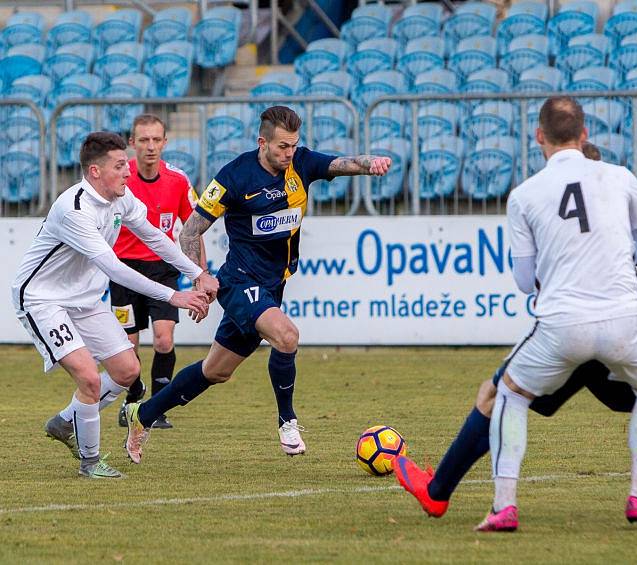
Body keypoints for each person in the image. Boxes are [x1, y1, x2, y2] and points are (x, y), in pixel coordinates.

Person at [395, 141, 637, 528]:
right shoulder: (616, 224)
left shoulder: (554, 218)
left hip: (566, 344)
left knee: (495, 393)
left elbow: (528, 279)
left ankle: (437, 493)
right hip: (616, 347)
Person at [123, 105, 392, 461]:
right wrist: (199, 278)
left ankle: (141, 415)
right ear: (262, 142)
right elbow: (190, 231)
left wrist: (369, 163)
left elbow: (341, 164)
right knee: (287, 336)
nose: (289, 153)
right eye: (282, 146)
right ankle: (288, 421)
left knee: (214, 371)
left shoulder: (302, 163)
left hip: (272, 285)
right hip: (239, 281)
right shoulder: (233, 177)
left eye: (293, 146)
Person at [11, 132, 216, 479]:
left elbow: (155, 237)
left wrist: (198, 273)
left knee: (126, 371)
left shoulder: (121, 197)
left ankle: (65, 421)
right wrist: (172, 295)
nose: (128, 172)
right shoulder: (74, 209)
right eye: (120, 165)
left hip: (85, 297)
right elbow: (114, 267)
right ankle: (90, 463)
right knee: (90, 380)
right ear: (95, 171)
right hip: (43, 299)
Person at [112, 114, 206, 430]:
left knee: (164, 340)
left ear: (165, 142)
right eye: (144, 140)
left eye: (156, 140)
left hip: (162, 270)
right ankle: (132, 399)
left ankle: (157, 407)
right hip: (123, 272)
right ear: (132, 143)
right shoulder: (118, 180)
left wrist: (200, 275)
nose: (150, 147)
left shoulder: (178, 180)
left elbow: (193, 230)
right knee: (128, 347)